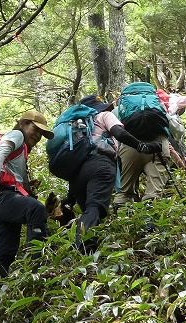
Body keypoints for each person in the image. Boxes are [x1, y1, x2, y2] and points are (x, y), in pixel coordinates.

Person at [57, 95, 162, 251]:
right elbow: (119, 133)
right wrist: (141, 146)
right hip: (101, 166)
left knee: (90, 212)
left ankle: (85, 252)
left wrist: (70, 197)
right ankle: (83, 247)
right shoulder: (103, 116)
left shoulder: (74, 126)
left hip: (76, 174)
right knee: (94, 208)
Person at [0, 110, 53, 279]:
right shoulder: (17, 134)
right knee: (36, 209)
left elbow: (19, 180)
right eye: (35, 129)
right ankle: (39, 269)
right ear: (23, 124)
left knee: (5, 252)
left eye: (41, 134)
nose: (38, 136)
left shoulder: (22, 151)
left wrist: (29, 193)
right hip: (0, 196)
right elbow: (2, 149)